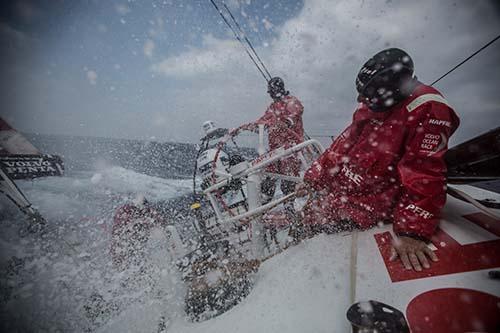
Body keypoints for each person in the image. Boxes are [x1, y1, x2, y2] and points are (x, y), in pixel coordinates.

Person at [297, 48, 460, 272]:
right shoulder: (374, 103)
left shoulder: (429, 108)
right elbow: (342, 145)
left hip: (370, 202)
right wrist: (315, 178)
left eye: (368, 94)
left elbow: (424, 171)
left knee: (310, 238)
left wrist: (413, 231)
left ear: (392, 89)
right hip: (344, 192)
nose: (361, 100)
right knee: (303, 220)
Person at [241, 77, 305, 201]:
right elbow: (261, 123)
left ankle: (290, 210)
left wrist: (285, 121)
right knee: (268, 177)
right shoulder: (272, 107)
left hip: (291, 150)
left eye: (270, 91)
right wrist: (242, 128)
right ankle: (262, 207)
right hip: (275, 153)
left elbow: (293, 115)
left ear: (276, 90)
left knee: (288, 181)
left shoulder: (292, 102)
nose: (270, 94)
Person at [110, 196, 169, 269]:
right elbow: (121, 227)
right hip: (124, 246)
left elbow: (159, 220)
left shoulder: (147, 211)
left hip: (138, 246)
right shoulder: (125, 211)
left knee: (140, 260)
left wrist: (162, 226)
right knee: (125, 265)